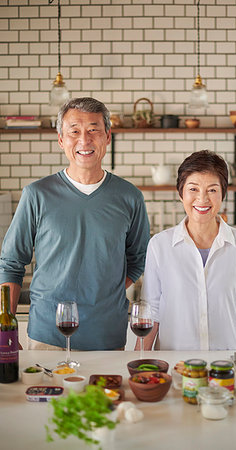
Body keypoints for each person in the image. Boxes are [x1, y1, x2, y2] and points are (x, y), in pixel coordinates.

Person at [0, 97, 150, 351]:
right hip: (47, 336)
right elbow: (11, 264)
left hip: (106, 336)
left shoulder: (130, 197)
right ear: (61, 140)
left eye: (93, 130)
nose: (84, 140)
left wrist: (104, 288)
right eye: (74, 132)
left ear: (107, 137)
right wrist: (6, 331)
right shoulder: (36, 195)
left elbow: (139, 259)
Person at [139, 150, 236, 351]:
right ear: (181, 193)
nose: (202, 199)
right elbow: (151, 311)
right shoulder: (160, 245)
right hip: (174, 364)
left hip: (226, 365)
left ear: (223, 194)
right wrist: (137, 363)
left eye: (212, 190)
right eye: (193, 189)